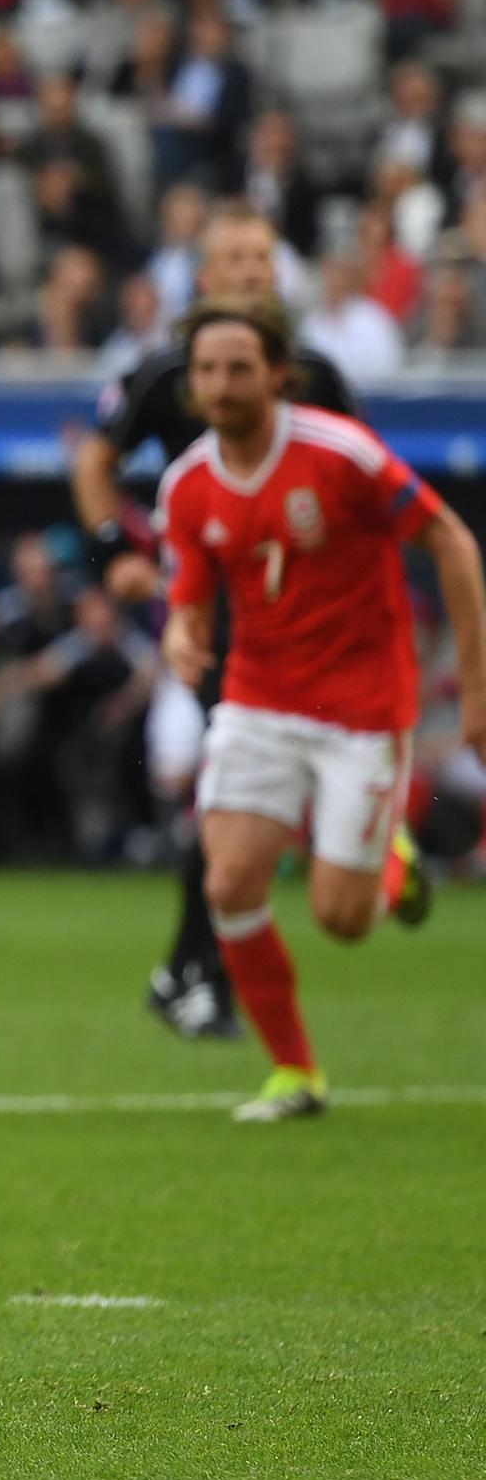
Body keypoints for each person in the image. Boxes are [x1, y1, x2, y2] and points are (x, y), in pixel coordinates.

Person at [156, 299, 486, 1121]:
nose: (221, 385)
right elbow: (191, 598)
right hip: (258, 698)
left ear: (278, 376)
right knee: (229, 882)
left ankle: (394, 867)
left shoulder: (340, 456)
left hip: (362, 706)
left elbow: (451, 541)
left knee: (343, 918)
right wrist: (180, 635)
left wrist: (476, 689)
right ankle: (295, 1073)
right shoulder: (188, 485)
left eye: (238, 369)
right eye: (206, 371)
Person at [70, 202, 359, 1042]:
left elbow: (358, 488)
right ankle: (198, 974)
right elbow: (97, 459)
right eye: (235, 259)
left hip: (306, 625)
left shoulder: (317, 375)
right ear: (203, 277)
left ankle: (186, 970)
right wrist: (113, 550)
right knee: (236, 795)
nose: (251, 273)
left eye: (264, 259)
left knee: (257, 803)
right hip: (212, 626)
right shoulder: (167, 376)